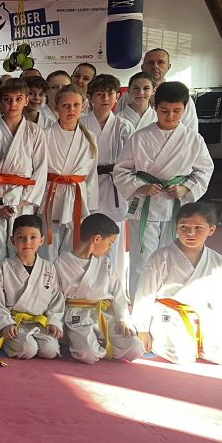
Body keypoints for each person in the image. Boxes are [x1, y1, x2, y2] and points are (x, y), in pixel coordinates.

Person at [113, 81, 214, 295]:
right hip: (146, 206)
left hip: (176, 207)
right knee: (142, 260)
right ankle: (140, 303)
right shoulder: (139, 137)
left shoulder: (193, 139)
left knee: (173, 258)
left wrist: (186, 187)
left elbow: (204, 170)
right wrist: (141, 186)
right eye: (164, 111)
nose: (170, 116)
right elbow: (121, 170)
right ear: (155, 107)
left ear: (185, 108)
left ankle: (167, 303)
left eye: (177, 111)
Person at [131, 202, 222, 365]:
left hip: (201, 314)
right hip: (168, 314)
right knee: (181, 356)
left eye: (198, 228)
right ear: (176, 227)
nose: (190, 233)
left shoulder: (218, 261)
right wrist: (142, 330)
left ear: (211, 230)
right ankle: (157, 340)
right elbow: (144, 294)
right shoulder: (161, 257)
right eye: (184, 227)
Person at [54, 213, 143, 364]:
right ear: (97, 239)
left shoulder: (105, 263)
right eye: (110, 243)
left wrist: (123, 319)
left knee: (136, 348)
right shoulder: (61, 263)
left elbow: (118, 292)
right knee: (88, 355)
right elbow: (56, 298)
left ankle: (96, 346)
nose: (109, 249)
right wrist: (57, 324)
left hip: (105, 315)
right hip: (77, 318)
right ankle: (86, 344)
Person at [0, 79, 47, 279]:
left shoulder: (35, 131)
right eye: (8, 99)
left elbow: (40, 169)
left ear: (26, 101)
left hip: (22, 199)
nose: (13, 104)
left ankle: (20, 290)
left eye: (18, 99)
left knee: (22, 247)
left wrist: (22, 202)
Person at [0, 214, 64, 363]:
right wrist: (5, 323)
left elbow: (56, 299)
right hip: (14, 324)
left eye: (33, 237)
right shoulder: (4, 267)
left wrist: (53, 321)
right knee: (28, 349)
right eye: (21, 237)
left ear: (41, 240)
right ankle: (9, 341)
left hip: (40, 323)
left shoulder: (49, 268)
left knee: (50, 350)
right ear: (12, 240)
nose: (27, 242)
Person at [82, 75, 132, 287]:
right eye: (100, 94)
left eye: (110, 94)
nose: (105, 98)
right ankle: (86, 285)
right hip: (87, 184)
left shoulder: (124, 126)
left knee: (113, 239)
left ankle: (114, 287)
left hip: (114, 187)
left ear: (116, 97)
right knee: (87, 235)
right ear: (90, 97)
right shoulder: (81, 123)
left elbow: (131, 161)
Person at [41, 85, 98, 261]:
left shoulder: (90, 137)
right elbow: (38, 171)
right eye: (66, 105)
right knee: (47, 248)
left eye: (75, 105)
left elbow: (91, 176)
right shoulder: (45, 135)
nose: (71, 109)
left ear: (83, 106)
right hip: (51, 195)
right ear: (56, 107)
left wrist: (91, 205)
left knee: (72, 249)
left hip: (77, 196)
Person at [117, 49, 199, 133]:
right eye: (150, 62)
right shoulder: (127, 96)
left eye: (160, 62)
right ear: (142, 67)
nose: (155, 66)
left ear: (168, 67)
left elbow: (191, 132)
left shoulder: (181, 97)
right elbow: (115, 125)